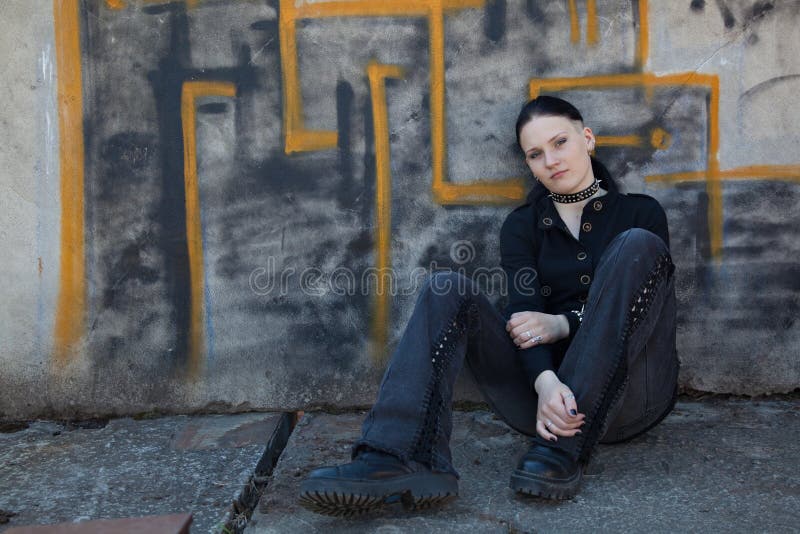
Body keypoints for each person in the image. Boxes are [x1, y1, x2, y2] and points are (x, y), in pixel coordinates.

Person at [298, 96, 679, 517]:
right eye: (536, 154)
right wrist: (545, 382)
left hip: (633, 397)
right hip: (542, 407)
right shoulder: (522, 225)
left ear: (586, 139)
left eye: (560, 142)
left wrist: (563, 323)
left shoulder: (640, 214)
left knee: (637, 248)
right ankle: (399, 455)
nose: (551, 160)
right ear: (529, 164)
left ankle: (564, 450)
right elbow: (523, 314)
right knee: (446, 287)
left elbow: (639, 311)